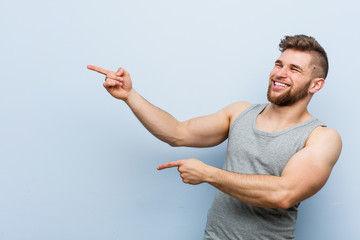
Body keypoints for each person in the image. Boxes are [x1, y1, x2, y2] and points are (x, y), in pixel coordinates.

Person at [87, 34, 342, 239]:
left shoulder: (321, 138)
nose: (280, 73)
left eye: (294, 69)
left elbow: (283, 195)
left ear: (315, 85)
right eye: (279, 64)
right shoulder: (239, 113)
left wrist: (208, 174)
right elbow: (177, 133)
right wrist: (130, 96)